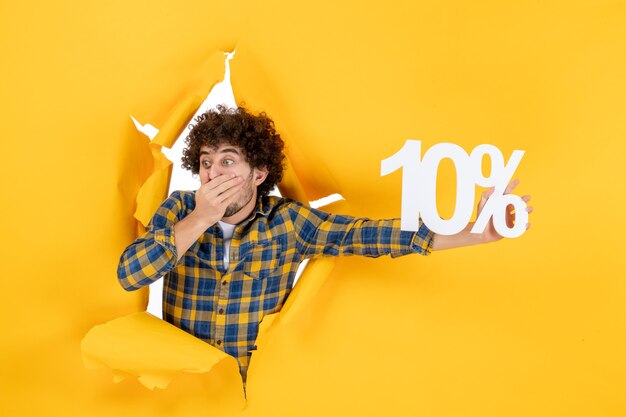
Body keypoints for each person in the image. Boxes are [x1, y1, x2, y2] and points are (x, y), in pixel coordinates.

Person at [117, 105, 533, 383]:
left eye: (227, 161)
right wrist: (201, 218)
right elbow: (131, 274)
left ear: (258, 173)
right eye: (206, 162)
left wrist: (476, 232)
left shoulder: (288, 222)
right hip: (181, 395)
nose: (212, 173)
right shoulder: (179, 211)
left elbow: (368, 236)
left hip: (251, 394)